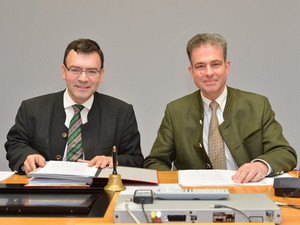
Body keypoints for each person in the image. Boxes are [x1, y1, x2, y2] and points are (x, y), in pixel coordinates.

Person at [144, 33, 297, 183]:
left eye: (215, 64)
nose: (209, 73)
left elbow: (285, 153)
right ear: (191, 72)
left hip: (247, 192)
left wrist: (261, 165)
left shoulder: (258, 105)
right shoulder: (175, 111)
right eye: (200, 66)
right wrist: (174, 186)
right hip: (194, 199)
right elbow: (155, 161)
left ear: (227, 67)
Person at [5, 38, 144, 175]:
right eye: (76, 70)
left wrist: (113, 161)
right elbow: (15, 144)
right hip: (43, 192)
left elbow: (136, 159)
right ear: (63, 71)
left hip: (100, 193)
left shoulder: (122, 113)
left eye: (91, 71)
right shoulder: (32, 109)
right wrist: (28, 156)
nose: (83, 78)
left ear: (101, 75)